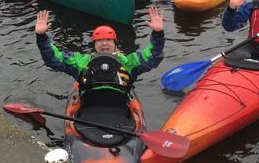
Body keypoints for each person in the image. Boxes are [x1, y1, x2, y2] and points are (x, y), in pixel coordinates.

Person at [34, 8, 164, 109]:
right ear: (94, 45)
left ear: (115, 44)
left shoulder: (128, 62)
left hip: (119, 105)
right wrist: (41, 36)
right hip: (89, 105)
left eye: (108, 40)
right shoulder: (81, 62)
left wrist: (158, 33)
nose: (104, 43)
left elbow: (153, 57)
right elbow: (54, 59)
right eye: (100, 41)